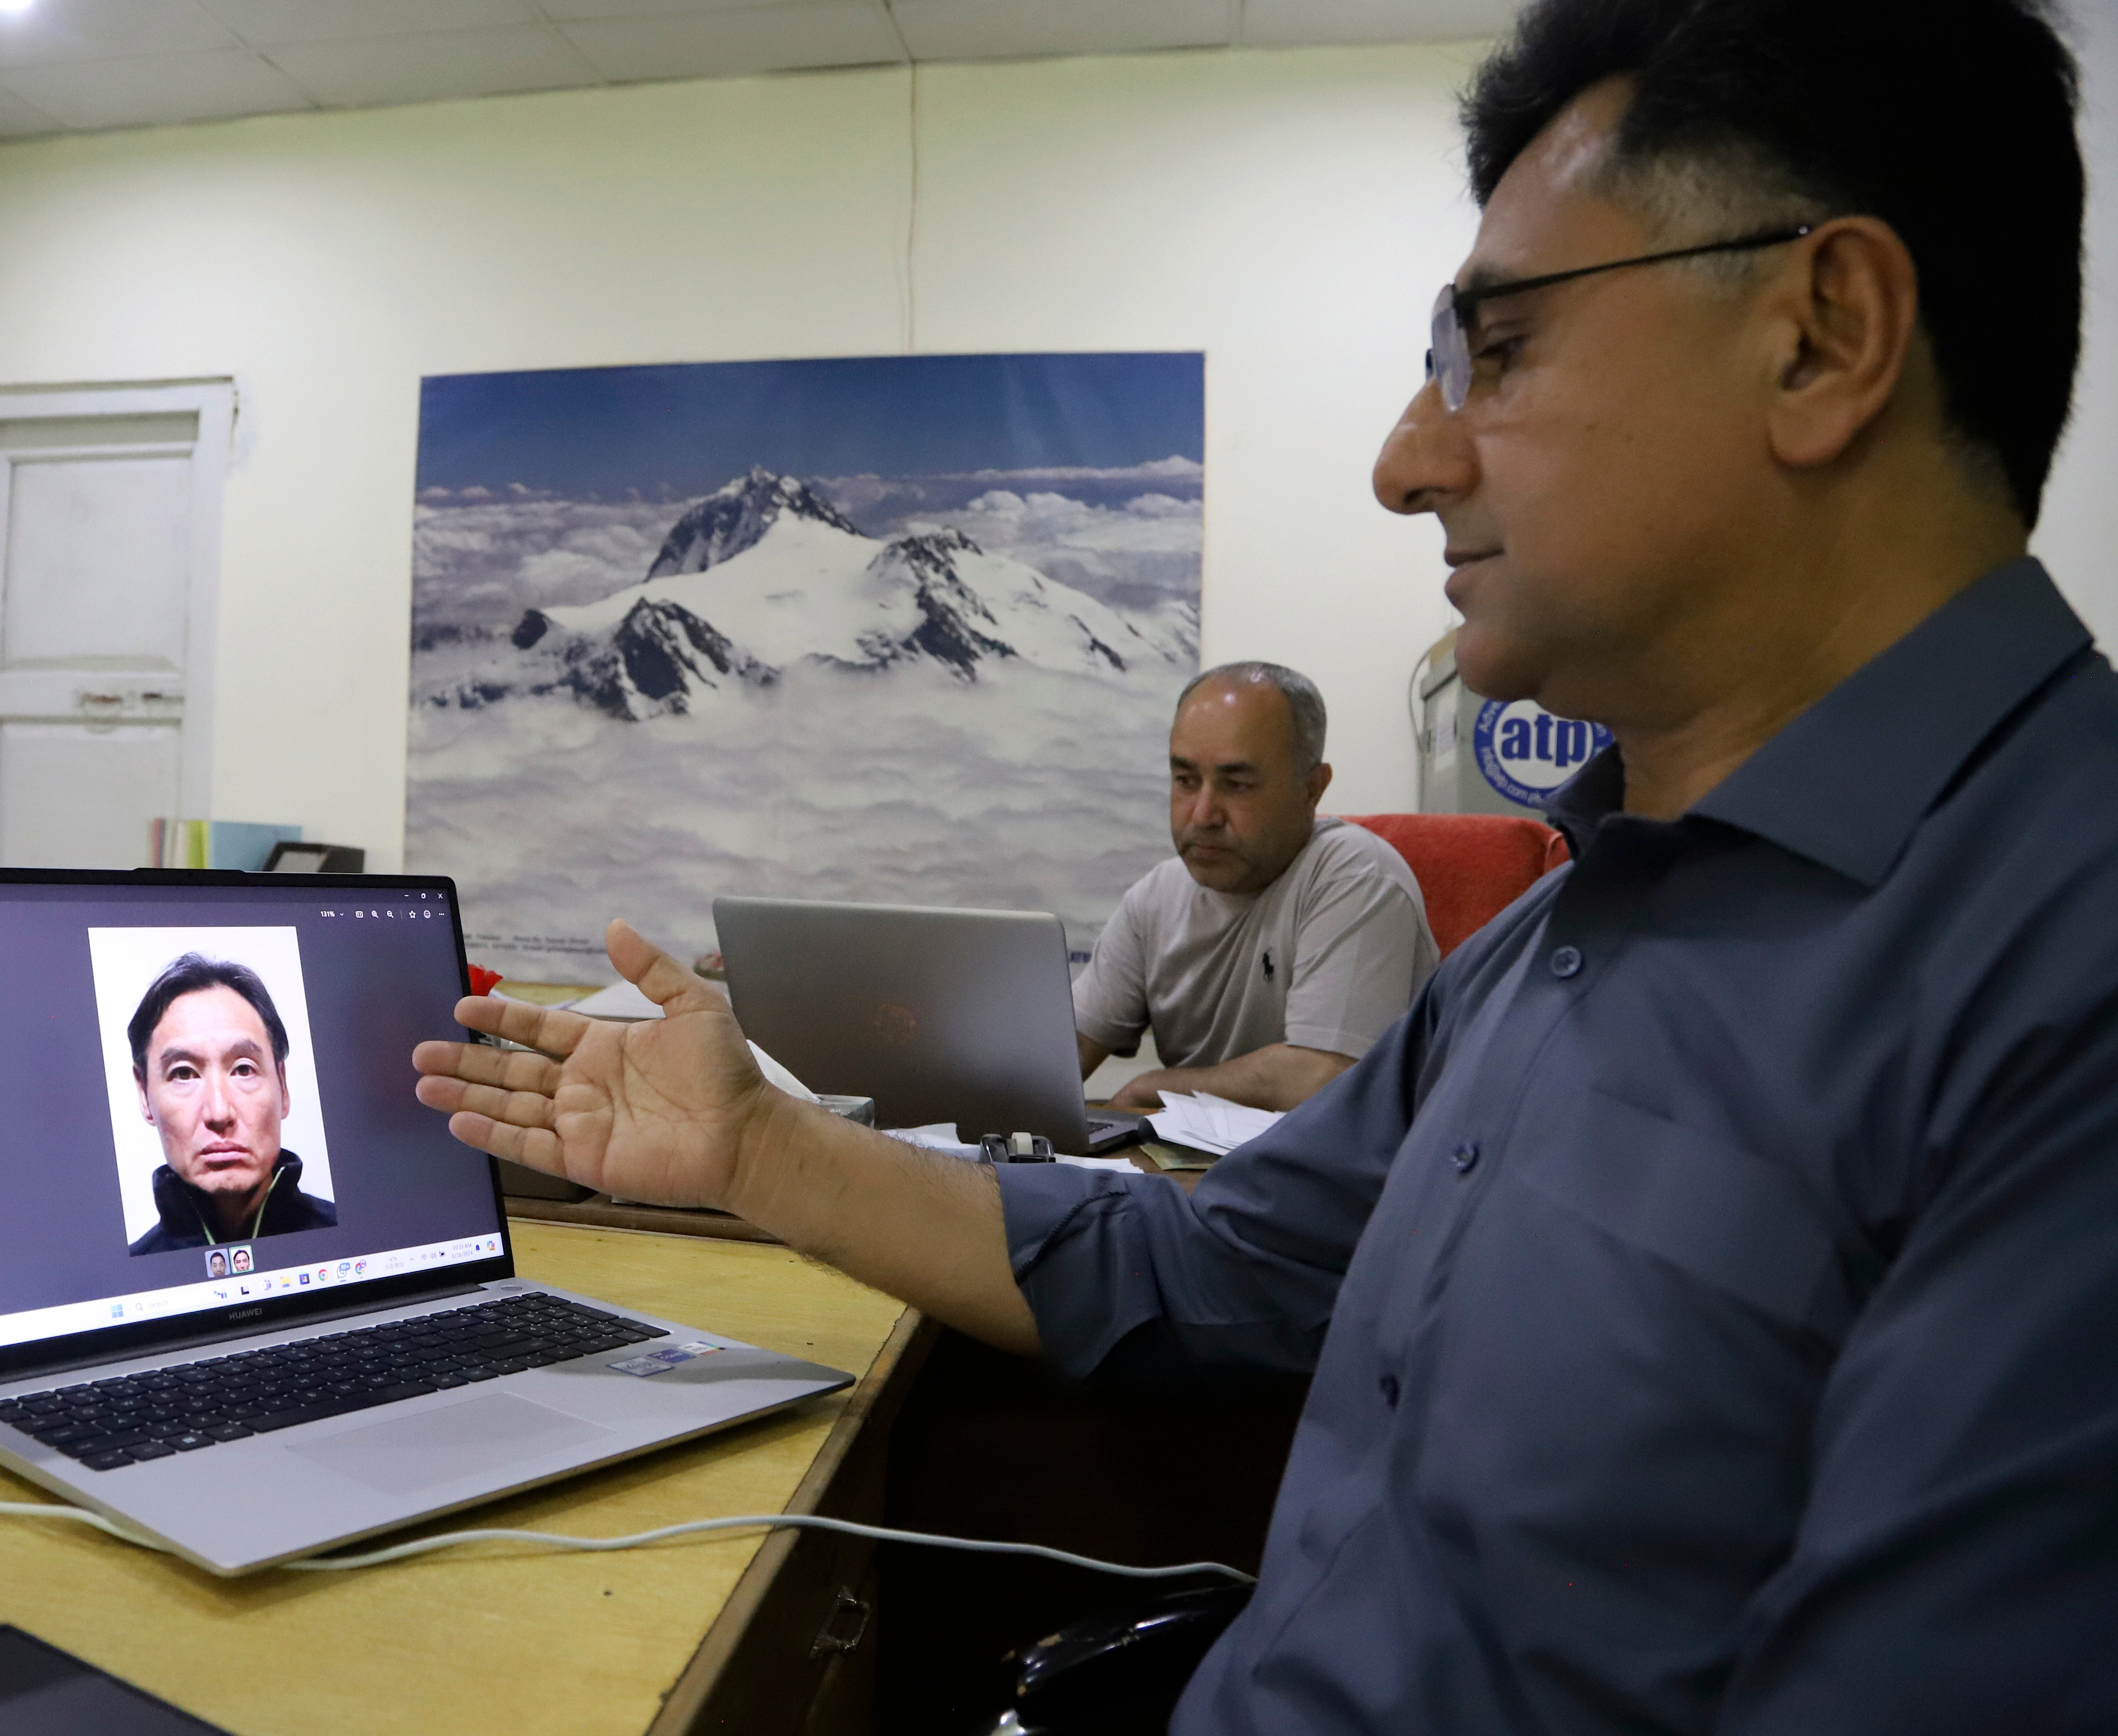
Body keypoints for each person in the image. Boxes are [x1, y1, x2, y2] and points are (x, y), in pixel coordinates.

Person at [413, 0, 2118, 1728]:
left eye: (1495, 352)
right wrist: (760, 1151)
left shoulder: (2062, 984)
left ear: (1823, 337)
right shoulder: (1567, 933)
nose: (1404, 462)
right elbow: (1211, 1270)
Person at [1076, 661, 1437, 1111]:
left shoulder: (1357, 875)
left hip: (1338, 1176)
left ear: (1312, 789)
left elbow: (1322, 1081)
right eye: (1186, 781)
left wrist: (1154, 1088)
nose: (1203, 815)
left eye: (1238, 784)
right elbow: (1058, 1059)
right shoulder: (1155, 898)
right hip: (1196, 1174)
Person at [125, 953, 336, 1255]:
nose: (219, 1112)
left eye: (244, 1069)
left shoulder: (360, 1240)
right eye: (184, 1073)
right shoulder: (131, 1276)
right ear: (145, 1095)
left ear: (283, 1086)